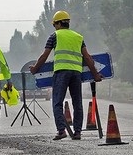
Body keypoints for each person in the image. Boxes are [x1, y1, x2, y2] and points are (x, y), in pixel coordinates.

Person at [30, 11, 102, 140]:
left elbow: (44, 56)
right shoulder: (78, 37)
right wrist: (95, 74)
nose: (55, 27)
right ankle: (78, 132)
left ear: (57, 24)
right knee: (77, 103)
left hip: (61, 72)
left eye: (54, 24)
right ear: (67, 23)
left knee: (57, 102)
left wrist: (35, 68)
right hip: (76, 73)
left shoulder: (54, 36)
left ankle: (61, 130)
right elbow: (87, 57)